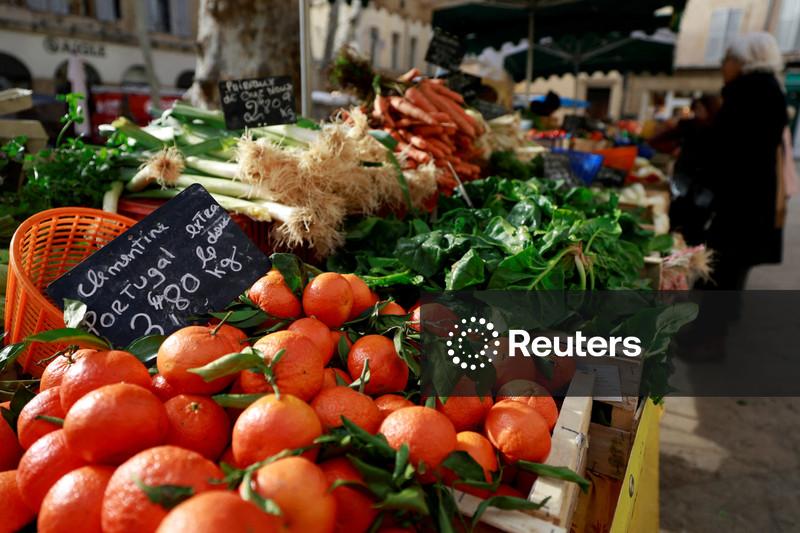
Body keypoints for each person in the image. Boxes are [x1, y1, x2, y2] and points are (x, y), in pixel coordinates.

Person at [705, 32, 789, 289]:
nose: (723, 65)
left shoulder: (748, 92)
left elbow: (729, 150)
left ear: (744, 61)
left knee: (723, 268)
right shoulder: (770, 88)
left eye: (728, 58)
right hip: (752, 200)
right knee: (734, 269)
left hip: (738, 201)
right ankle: (724, 318)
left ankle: (713, 325)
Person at [650, 96, 721, 245]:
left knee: (696, 218)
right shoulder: (693, 125)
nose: (697, 113)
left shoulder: (710, 128)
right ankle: (677, 247)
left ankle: (686, 249)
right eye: (695, 109)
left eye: (700, 109)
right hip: (688, 177)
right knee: (682, 216)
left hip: (704, 182)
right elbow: (661, 140)